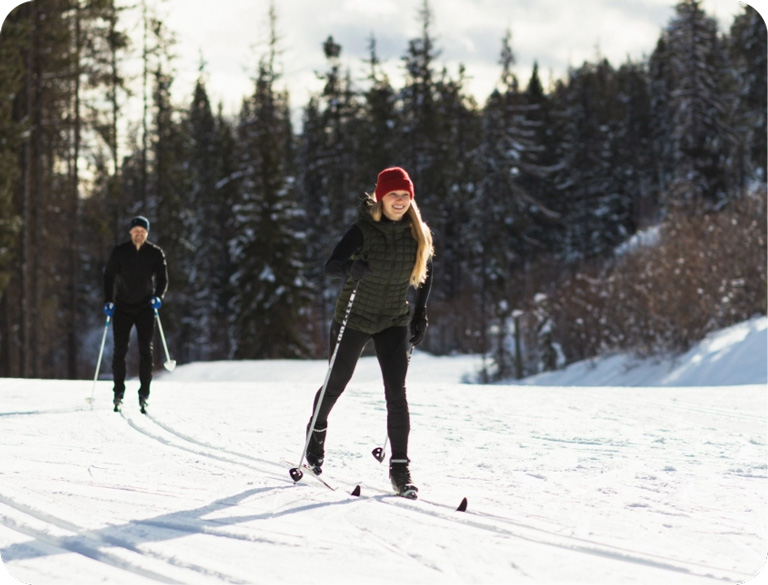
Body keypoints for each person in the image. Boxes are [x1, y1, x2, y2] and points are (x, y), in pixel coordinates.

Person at [304, 166, 434, 498]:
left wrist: (419, 314)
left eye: (406, 196)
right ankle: (316, 431)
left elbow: (426, 272)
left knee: (396, 393)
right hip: (355, 317)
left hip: (393, 318)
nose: (400, 201)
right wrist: (350, 266)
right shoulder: (362, 230)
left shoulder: (417, 232)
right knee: (337, 381)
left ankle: (400, 468)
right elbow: (331, 265)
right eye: (394, 195)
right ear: (381, 197)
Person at [103, 216, 168, 412]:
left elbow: (163, 279)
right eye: (136, 231)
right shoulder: (119, 252)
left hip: (145, 307)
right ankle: (118, 393)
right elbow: (108, 277)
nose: (139, 234)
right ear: (130, 232)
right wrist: (108, 300)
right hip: (122, 307)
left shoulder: (155, 253)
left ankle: (144, 393)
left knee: (145, 351)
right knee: (119, 350)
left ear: (147, 233)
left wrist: (158, 297)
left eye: (143, 231)